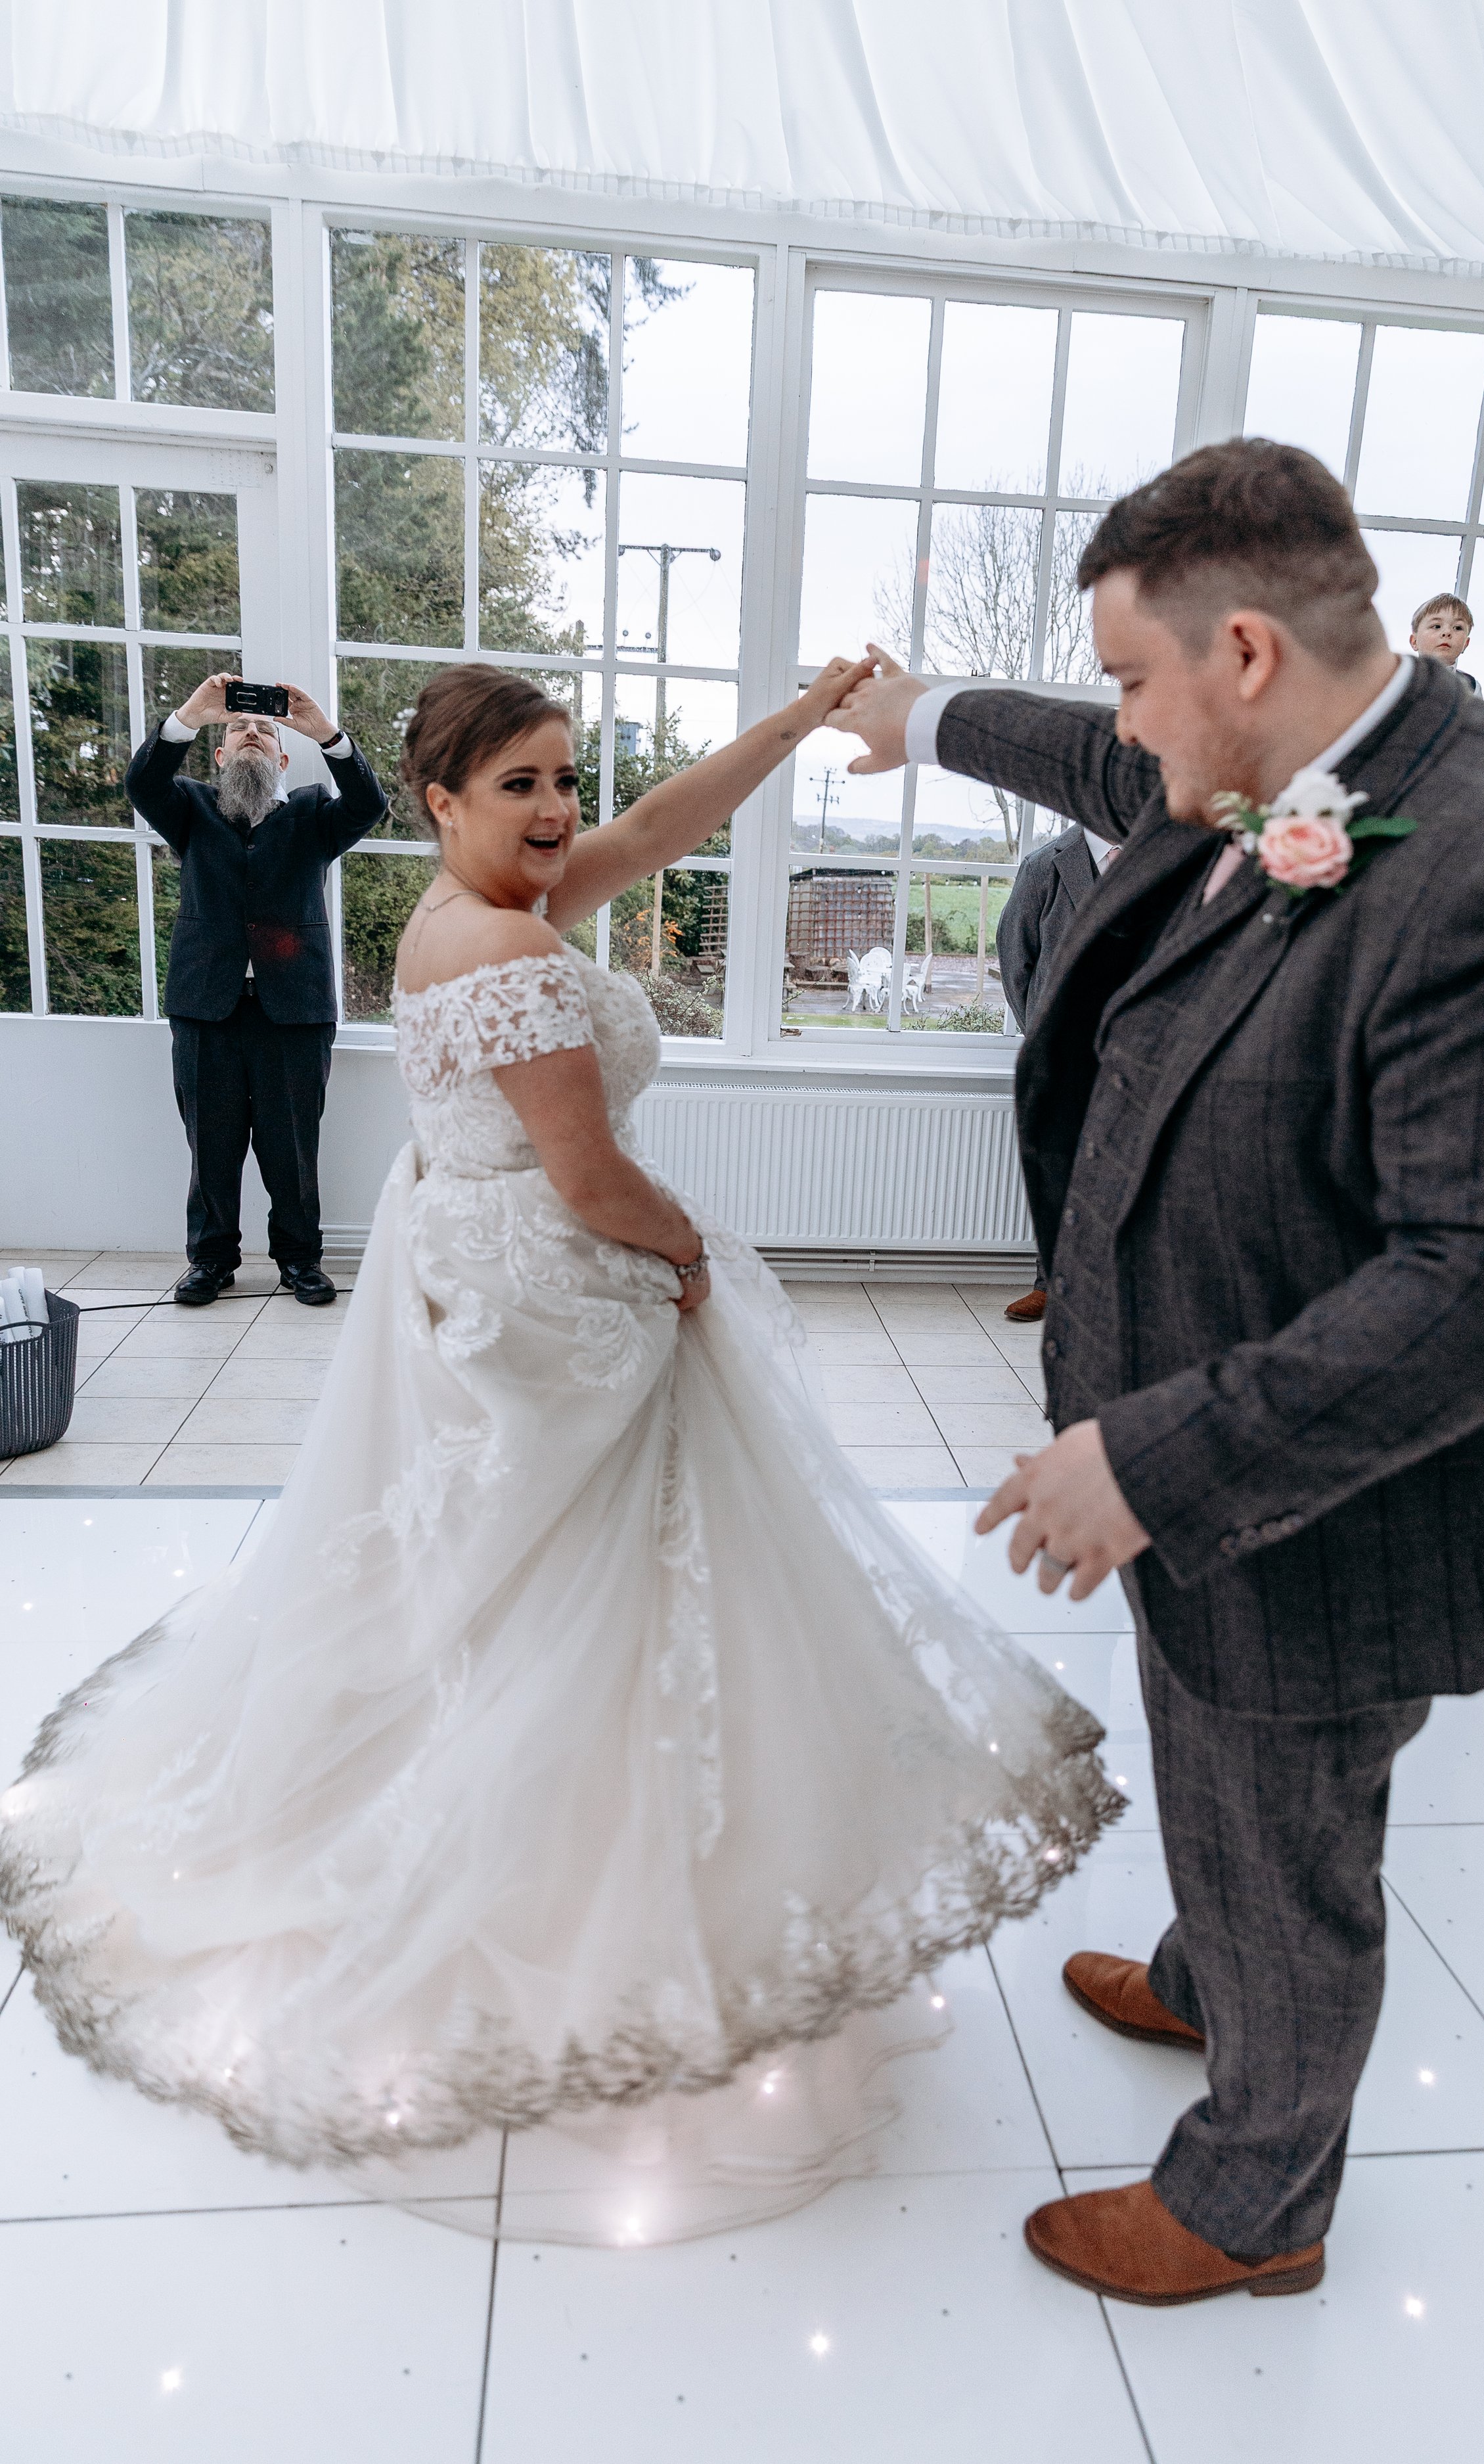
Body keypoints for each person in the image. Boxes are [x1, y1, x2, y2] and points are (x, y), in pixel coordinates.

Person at [0, 660, 1119, 2249]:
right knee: (591, 1583)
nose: (555, 810)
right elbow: (592, 1180)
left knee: (477, 1571)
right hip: (551, 1289)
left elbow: (656, 830)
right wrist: (693, 1254)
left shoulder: (462, 908)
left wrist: (795, 721)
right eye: (517, 783)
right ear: (440, 797)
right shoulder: (511, 948)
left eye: (561, 777)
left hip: (468, 1253)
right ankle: (571, 1886)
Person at [832, 439, 1484, 2308]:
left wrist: (1152, 1459)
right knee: (1224, 1765)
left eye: (1136, 671)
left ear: (1249, 650)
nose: (1125, 718)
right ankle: (1212, 1977)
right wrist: (919, 713)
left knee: (1291, 1833)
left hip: (1320, 1504)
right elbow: (1106, 763)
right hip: (1211, 1465)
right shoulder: (1300, 764)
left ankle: (1254, 2194)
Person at [126, 676, 390, 1308]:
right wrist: (192, 715)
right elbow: (143, 784)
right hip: (206, 1007)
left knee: (292, 1146)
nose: (252, 731)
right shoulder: (190, 810)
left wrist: (325, 732)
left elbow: (368, 804)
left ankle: (300, 1260)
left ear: (282, 758)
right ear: (220, 756)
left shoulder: (313, 817)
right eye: (240, 728)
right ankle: (211, 1260)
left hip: (293, 1010)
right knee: (211, 1146)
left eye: (265, 729)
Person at [995, 817, 1117, 1323]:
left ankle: (1115, 1290)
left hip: (1141, 1053)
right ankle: (1052, 1284)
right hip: (1064, 1055)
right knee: (1058, 1170)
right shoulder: (1044, 866)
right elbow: (1015, 959)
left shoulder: (1165, 858)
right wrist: (1044, 1036)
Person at [1410, 590, 1479, 691]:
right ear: (1414, 641)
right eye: (1437, 626)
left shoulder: (1471, 686)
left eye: (1457, 628)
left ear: (1466, 644)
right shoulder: (1403, 680)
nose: (1447, 632)